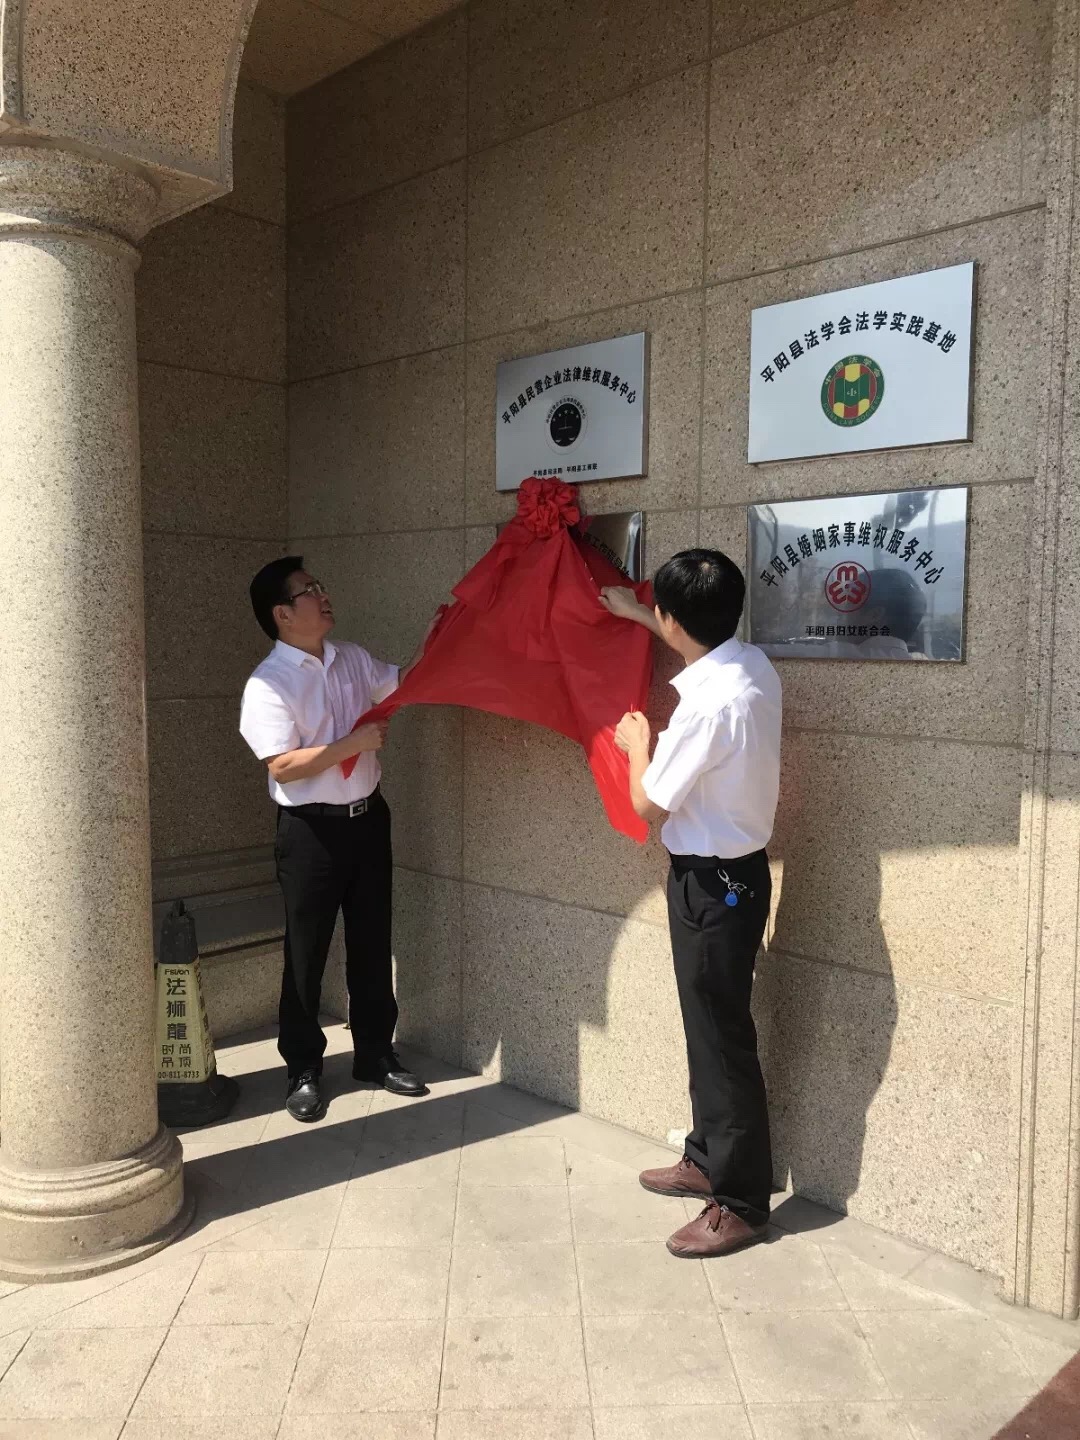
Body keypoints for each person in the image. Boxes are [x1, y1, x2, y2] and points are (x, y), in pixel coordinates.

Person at [600, 549, 782, 1259]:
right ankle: (706, 1157)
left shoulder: (705, 706)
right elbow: (696, 639)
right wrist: (640, 616)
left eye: (661, 614)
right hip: (732, 877)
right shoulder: (751, 664)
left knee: (722, 1037)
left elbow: (648, 804)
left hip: (714, 886)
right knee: (708, 1026)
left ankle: (739, 1202)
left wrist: (637, 744)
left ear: (674, 619)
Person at [239, 556, 433, 1122]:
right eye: (309, 590)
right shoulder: (268, 683)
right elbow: (282, 765)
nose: (323, 595)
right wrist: (354, 743)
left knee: (372, 940)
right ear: (282, 613)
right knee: (307, 952)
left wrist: (441, 637)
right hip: (310, 832)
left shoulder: (351, 657)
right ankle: (303, 1068)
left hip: (368, 819)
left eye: (321, 585)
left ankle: (375, 1054)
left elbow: (404, 682)